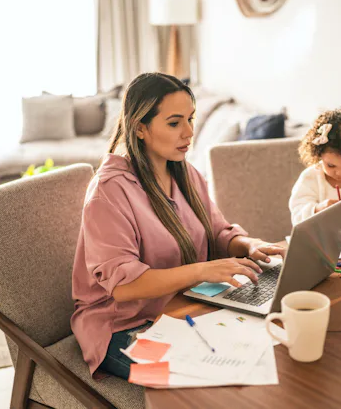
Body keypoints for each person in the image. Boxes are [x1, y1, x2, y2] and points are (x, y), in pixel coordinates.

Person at [71, 72, 285, 379]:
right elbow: (123, 287)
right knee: (202, 376)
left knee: (262, 351)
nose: (188, 132)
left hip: (182, 307)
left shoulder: (186, 174)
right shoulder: (109, 191)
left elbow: (217, 231)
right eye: (174, 123)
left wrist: (249, 244)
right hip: (120, 327)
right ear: (140, 128)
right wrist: (203, 270)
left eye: (190, 119)